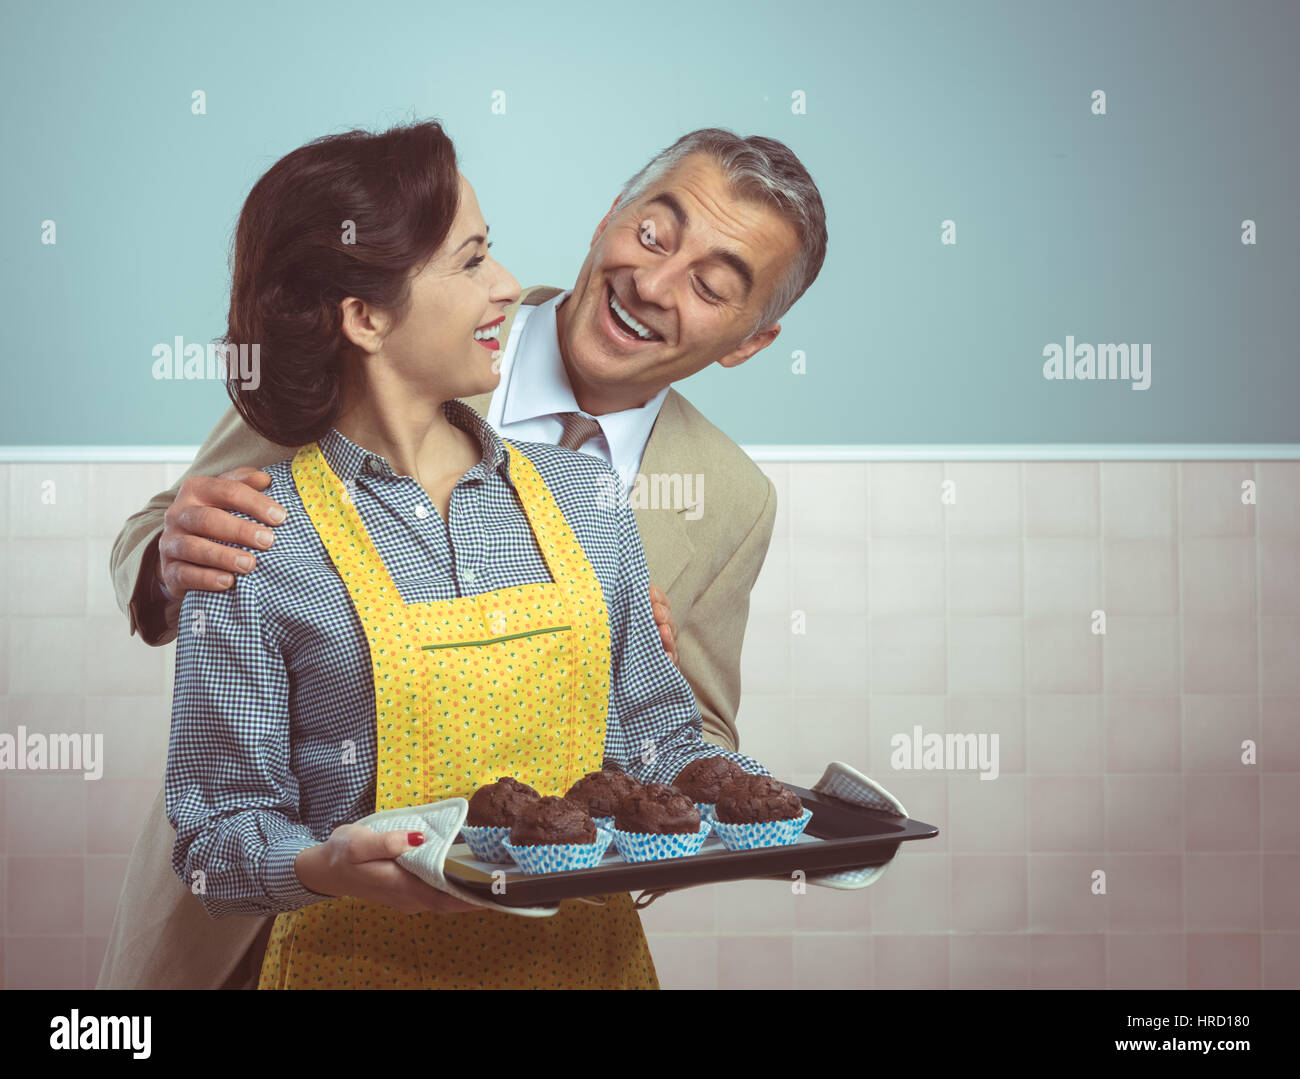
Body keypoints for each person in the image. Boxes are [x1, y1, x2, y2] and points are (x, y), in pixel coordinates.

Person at [100, 125, 828, 989]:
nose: (655, 281)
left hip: (557, 950)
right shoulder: (355, 337)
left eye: (711, 284)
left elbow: (682, 738)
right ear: (609, 217)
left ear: (749, 341)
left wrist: (637, 701)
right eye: (653, 233)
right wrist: (175, 556)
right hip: (282, 930)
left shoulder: (716, 500)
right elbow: (179, 535)